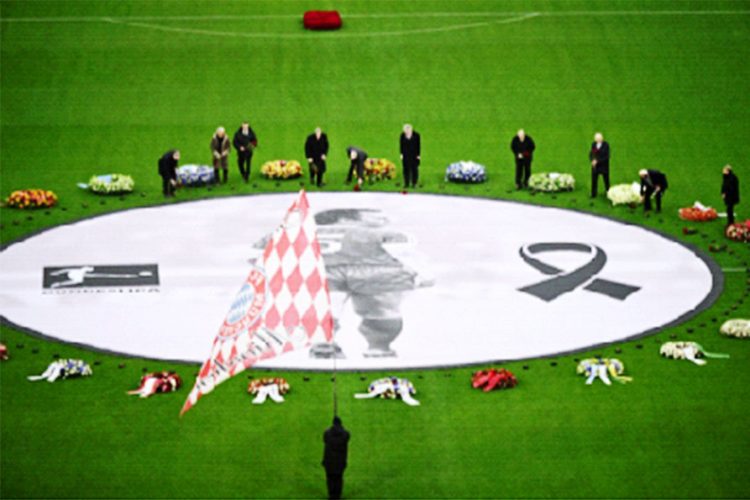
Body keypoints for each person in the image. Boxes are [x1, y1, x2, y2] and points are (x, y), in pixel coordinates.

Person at [322, 416, 350, 500]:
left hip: (329, 461)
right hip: (340, 461)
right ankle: (337, 495)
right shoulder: (345, 434)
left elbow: (325, 438)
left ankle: (331, 495)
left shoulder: (327, 433)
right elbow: (347, 435)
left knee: (330, 478)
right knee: (338, 478)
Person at [589, 132, 610, 197]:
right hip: (595, 167)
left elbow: (607, 157)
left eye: (599, 138)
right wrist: (592, 160)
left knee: (606, 180)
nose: (598, 140)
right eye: (597, 139)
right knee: (594, 180)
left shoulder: (606, 145)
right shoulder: (593, 144)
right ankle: (593, 194)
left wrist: (597, 161)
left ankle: (609, 193)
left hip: (604, 166)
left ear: (602, 138)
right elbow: (591, 153)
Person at [400, 124, 421, 188]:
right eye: (405, 131)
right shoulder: (402, 135)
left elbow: (418, 146)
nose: (406, 132)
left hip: (414, 155)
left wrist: (418, 155)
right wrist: (401, 154)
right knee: (406, 169)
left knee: (414, 169)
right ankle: (406, 183)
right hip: (406, 154)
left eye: (407, 130)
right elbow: (401, 145)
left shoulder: (416, 135)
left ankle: (414, 183)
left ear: (411, 130)